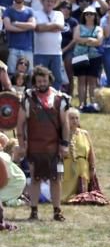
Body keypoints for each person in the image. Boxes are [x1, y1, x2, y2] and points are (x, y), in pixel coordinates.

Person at [14, 67, 70, 221]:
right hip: (34, 147)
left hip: (54, 148)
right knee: (35, 178)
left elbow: (65, 124)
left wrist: (64, 144)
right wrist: (22, 144)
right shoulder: (28, 98)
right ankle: (34, 211)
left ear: (49, 80)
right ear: (35, 81)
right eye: (39, 81)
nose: (42, 83)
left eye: (44, 80)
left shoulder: (59, 98)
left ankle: (57, 211)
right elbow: (20, 125)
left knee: (56, 179)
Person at [60, 107, 99, 203]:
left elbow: (91, 152)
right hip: (68, 167)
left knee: (82, 193)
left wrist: (92, 167)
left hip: (83, 168)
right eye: (72, 118)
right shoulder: (62, 134)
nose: (74, 120)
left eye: (76, 118)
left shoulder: (85, 133)